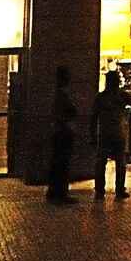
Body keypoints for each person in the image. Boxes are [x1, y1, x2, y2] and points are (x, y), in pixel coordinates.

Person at [91, 69, 131, 199]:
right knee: (120, 163)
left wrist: (92, 134)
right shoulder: (122, 96)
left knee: (101, 163)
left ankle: (100, 190)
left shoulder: (100, 97)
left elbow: (93, 118)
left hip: (104, 133)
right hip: (118, 133)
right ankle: (119, 189)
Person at [46, 65, 78, 203]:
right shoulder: (61, 95)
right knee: (62, 164)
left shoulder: (57, 93)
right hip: (63, 132)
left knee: (58, 163)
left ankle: (55, 192)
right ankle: (60, 194)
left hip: (60, 132)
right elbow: (67, 111)